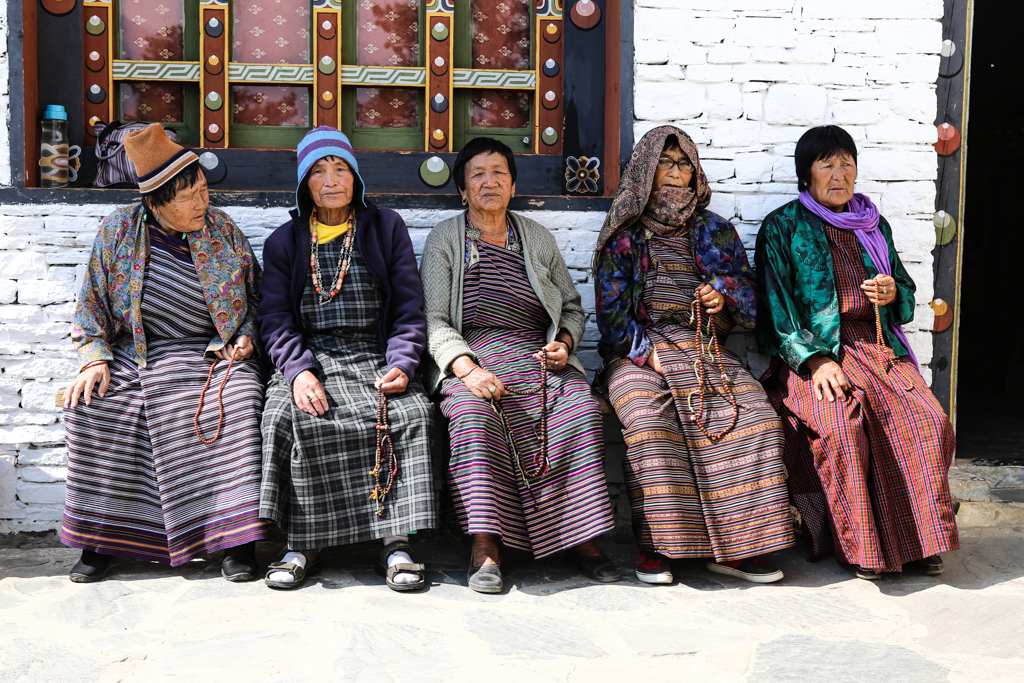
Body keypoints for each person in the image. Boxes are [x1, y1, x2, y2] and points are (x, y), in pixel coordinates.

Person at [62, 124, 265, 582]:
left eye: (203, 191)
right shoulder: (117, 232)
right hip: (138, 354)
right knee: (90, 408)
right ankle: (103, 539)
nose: (202, 204)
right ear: (154, 203)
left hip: (211, 354)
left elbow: (257, 297)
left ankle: (236, 539)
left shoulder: (223, 231)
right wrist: (94, 358)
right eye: (188, 197)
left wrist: (247, 334)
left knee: (240, 401)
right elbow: (91, 304)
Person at [594, 126, 794, 585]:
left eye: (684, 163)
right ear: (645, 170)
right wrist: (647, 355)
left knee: (756, 417)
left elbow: (748, 291)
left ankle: (740, 549)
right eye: (666, 161)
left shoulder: (715, 230)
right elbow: (610, 315)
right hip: (638, 352)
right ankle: (658, 548)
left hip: (704, 345)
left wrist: (721, 296)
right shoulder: (623, 234)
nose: (676, 171)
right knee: (648, 420)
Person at [755, 125, 958, 579]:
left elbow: (904, 292)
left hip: (875, 347)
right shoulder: (782, 226)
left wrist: (890, 291)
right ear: (805, 173)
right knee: (842, 430)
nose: (839, 173)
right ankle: (861, 548)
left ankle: (918, 541)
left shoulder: (873, 224)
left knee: (926, 421)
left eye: (847, 162)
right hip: (814, 355)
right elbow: (774, 307)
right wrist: (816, 360)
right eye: (826, 163)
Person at [421, 137, 619, 594]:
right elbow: (434, 318)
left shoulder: (536, 236)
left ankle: (581, 538)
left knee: (581, 411)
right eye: (477, 175)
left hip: (536, 352)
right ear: (463, 190)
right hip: (474, 353)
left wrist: (565, 344)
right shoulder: (445, 240)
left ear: (513, 185)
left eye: (499, 173)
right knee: (472, 417)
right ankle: (485, 545)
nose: (489, 182)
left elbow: (570, 306)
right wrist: (467, 370)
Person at [257, 127, 436, 591]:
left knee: (413, 412)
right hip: (312, 357)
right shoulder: (283, 242)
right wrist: (297, 372)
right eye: (319, 171)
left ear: (356, 177)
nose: (331, 179)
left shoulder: (385, 227)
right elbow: (275, 319)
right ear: (303, 184)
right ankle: (301, 542)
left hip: (374, 355)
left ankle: (396, 542)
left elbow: (408, 308)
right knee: (284, 415)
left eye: (340, 168)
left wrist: (402, 362)